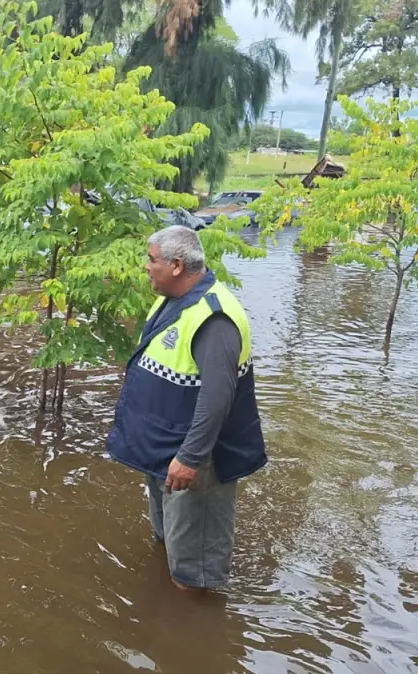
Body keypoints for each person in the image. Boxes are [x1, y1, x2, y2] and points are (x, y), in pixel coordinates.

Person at [106, 225, 267, 591]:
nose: (146, 267)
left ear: (177, 265)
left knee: (194, 571)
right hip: (163, 451)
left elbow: (218, 396)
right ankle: (167, 609)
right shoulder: (172, 299)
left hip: (192, 460)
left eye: (152, 260)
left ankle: (195, 629)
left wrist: (191, 458)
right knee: (170, 543)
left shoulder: (214, 318)